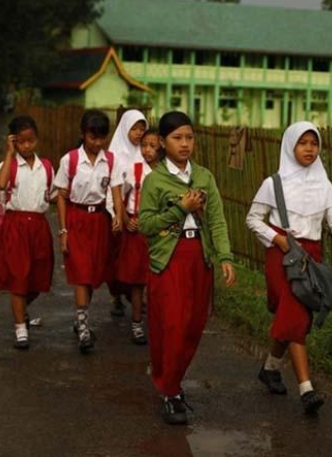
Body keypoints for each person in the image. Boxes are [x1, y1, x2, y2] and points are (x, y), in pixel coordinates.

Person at [246, 121, 332, 414]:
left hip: (310, 258)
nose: (309, 149)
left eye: (314, 143)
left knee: (292, 318)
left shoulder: (324, 183)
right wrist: (276, 238)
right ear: (290, 145)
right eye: (303, 143)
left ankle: (270, 368)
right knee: (294, 317)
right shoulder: (274, 183)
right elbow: (253, 218)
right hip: (281, 257)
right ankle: (306, 390)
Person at [138, 111, 236, 425]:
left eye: (189, 137)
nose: (185, 144)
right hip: (169, 259)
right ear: (163, 143)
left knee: (193, 326)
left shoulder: (205, 176)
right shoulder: (155, 180)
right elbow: (147, 225)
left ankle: (173, 380)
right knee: (172, 326)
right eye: (177, 138)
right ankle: (170, 392)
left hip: (199, 258)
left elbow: (218, 220)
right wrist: (182, 208)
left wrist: (225, 257)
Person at [53, 109, 123, 354]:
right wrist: (63, 230)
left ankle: (80, 316)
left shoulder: (111, 160)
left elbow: (115, 190)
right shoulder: (70, 160)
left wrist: (118, 217)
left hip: (100, 221)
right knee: (81, 272)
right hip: (77, 219)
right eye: (93, 137)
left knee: (93, 273)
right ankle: (83, 326)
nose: (97, 142)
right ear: (83, 135)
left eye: (102, 137)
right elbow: (61, 196)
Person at [0, 116, 55, 350]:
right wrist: (9, 154)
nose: (26, 146)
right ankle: (20, 329)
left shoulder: (46, 166)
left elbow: (53, 194)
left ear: (36, 139)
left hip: (38, 225)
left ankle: (21, 309)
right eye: (21, 142)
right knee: (18, 277)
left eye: (31, 141)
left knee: (38, 278)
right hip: (15, 225)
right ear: (14, 141)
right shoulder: (8, 166)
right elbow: (1, 184)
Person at [106, 109, 151, 345]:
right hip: (117, 216)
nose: (138, 133)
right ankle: (116, 296)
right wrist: (118, 216)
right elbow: (112, 189)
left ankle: (133, 300)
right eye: (134, 128)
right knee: (115, 263)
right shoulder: (114, 155)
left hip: (139, 221)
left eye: (142, 129)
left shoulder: (145, 156)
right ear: (125, 128)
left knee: (135, 268)